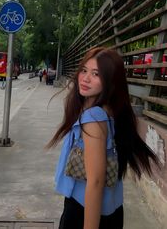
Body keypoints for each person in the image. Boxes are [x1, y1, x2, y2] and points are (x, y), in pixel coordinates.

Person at [47, 47, 160, 229]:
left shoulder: (93, 119)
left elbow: (96, 182)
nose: (85, 78)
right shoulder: (110, 110)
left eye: (96, 74)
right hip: (111, 210)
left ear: (110, 81)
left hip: (84, 211)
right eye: (84, 70)